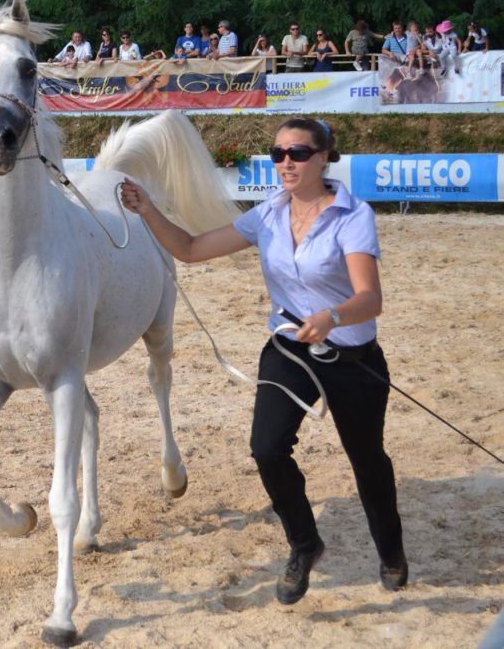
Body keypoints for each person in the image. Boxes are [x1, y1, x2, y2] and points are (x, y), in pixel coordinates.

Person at [119, 117, 408, 606]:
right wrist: (147, 210)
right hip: (289, 347)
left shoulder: (353, 215)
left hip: (351, 353)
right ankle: (304, 543)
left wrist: (333, 315)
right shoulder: (266, 216)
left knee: (367, 461)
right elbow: (189, 249)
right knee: (267, 448)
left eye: (297, 153)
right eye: (278, 154)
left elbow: (370, 298)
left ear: (322, 158)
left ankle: (392, 551)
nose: (286, 163)